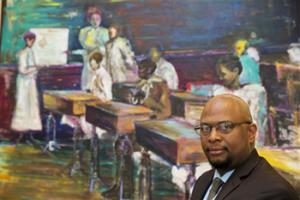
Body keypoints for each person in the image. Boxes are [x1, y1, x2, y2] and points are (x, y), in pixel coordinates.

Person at [191, 94, 298, 200]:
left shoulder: (273, 192)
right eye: (205, 128)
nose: (212, 137)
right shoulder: (203, 181)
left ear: (250, 133)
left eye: (225, 126)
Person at [190, 55, 267, 146]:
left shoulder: (253, 93)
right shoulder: (219, 92)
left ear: (235, 71)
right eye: (219, 75)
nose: (221, 78)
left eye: (223, 74)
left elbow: (257, 125)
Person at [11, 31, 45, 136]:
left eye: (33, 40)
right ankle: (22, 130)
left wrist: (37, 67)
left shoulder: (31, 51)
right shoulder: (23, 53)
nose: (31, 42)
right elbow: (22, 70)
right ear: (26, 40)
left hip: (31, 81)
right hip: (24, 83)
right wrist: (36, 68)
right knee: (24, 104)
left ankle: (30, 130)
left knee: (32, 104)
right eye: (29, 40)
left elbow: (32, 66)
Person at [79, 10, 109, 90]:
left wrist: (97, 47)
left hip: (101, 57)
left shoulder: (105, 31)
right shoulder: (84, 31)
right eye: (93, 19)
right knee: (88, 75)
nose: (95, 21)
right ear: (89, 20)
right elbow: (84, 44)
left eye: (97, 19)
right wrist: (95, 46)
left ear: (101, 20)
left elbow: (105, 44)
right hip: (88, 56)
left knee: (100, 75)